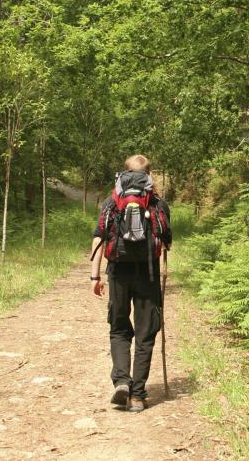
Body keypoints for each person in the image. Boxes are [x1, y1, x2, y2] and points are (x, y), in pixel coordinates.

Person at [90, 154, 172, 412]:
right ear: (149, 175)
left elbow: (99, 239)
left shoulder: (111, 202)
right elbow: (167, 240)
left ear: (122, 174)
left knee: (119, 328)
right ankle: (137, 396)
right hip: (147, 274)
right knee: (146, 332)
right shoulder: (158, 203)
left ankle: (121, 381)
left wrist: (95, 276)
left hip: (117, 273)